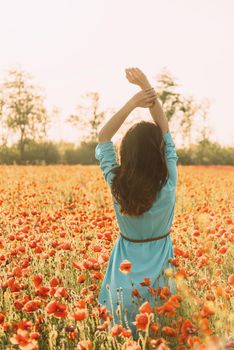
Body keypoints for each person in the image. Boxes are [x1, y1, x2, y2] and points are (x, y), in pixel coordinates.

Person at [95, 67, 179, 339]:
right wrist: (147, 90)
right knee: (157, 338)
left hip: (121, 289)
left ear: (126, 155)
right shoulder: (167, 186)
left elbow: (104, 137)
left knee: (121, 340)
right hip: (159, 291)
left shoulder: (117, 184)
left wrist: (133, 103)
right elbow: (165, 132)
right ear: (159, 155)